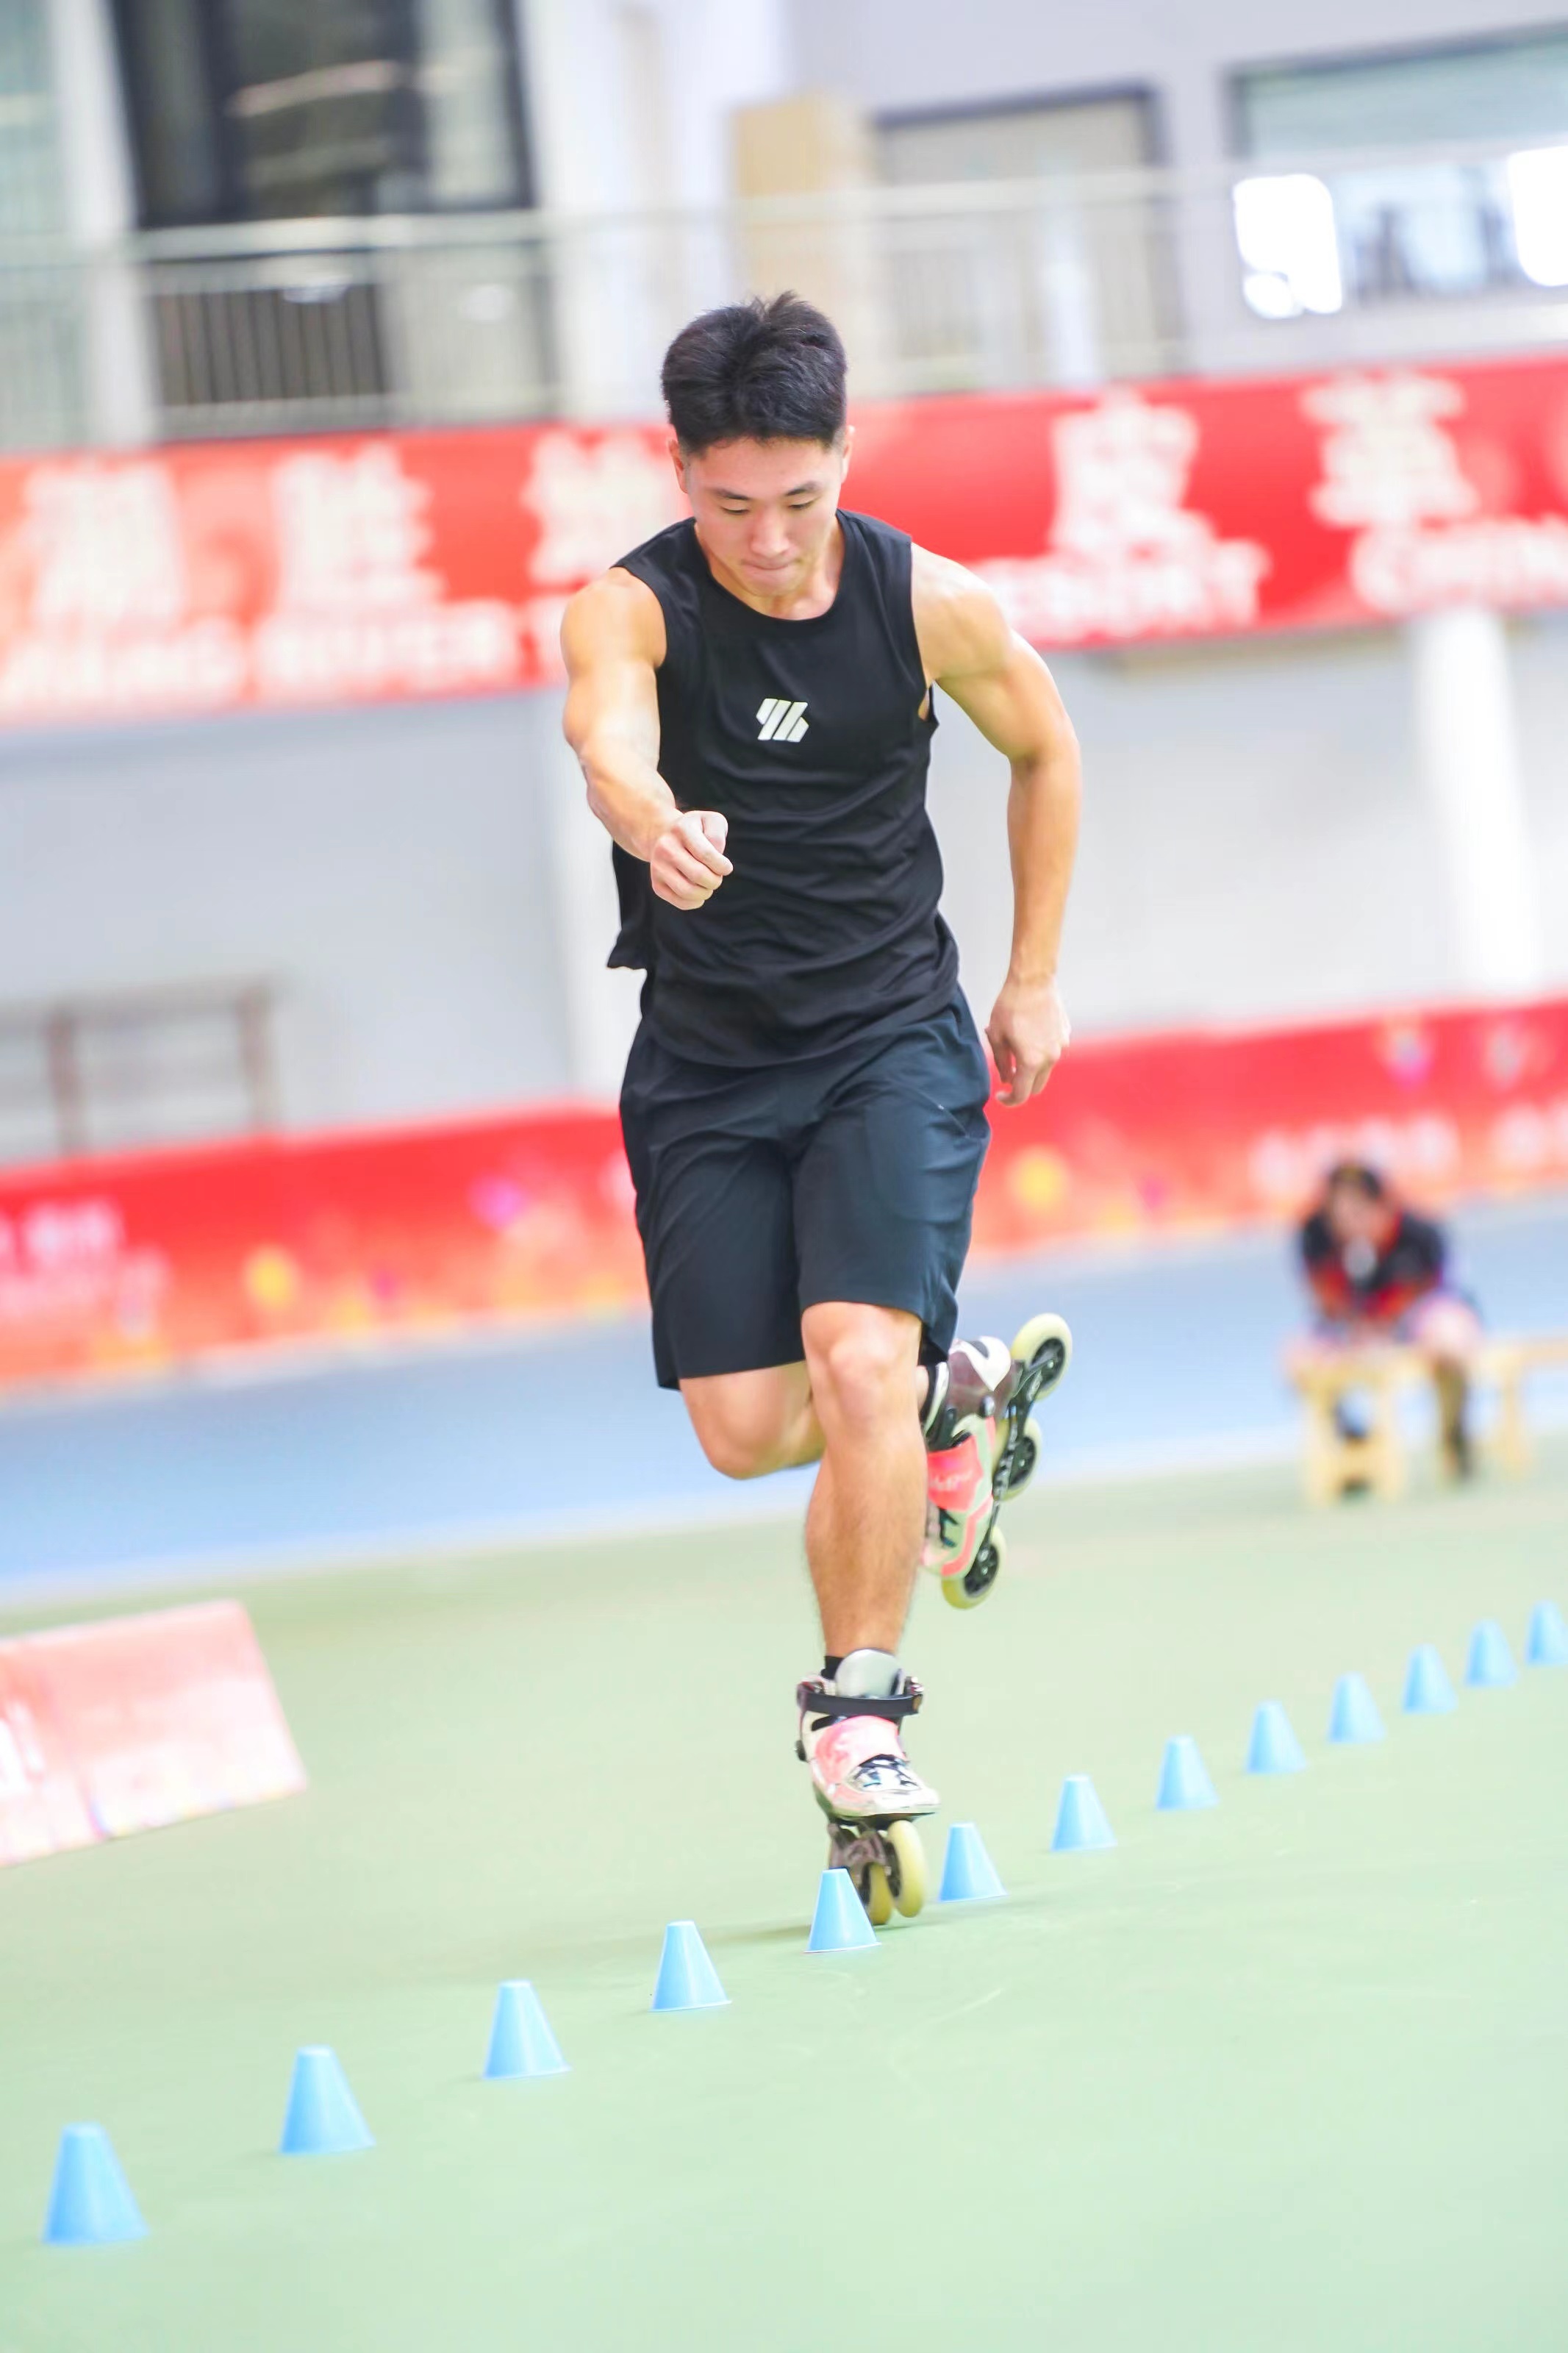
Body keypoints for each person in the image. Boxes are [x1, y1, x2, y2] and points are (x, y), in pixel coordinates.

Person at [561, 293, 1081, 1914]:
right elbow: (603, 736)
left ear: (845, 457)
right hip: (707, 1063)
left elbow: (1046, 752)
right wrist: (647, 816)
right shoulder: (632, 611)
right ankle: (951, 1403)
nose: (771, 540)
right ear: (680, 472)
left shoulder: (927, 605)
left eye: (800, 498)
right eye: (731, 505)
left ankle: (858, 1713)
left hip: (885, 1038)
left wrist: (1032, 976)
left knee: (853, 1355)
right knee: (739, 1431)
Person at [1291, 1161, 1482, 1477]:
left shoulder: (1421, 1234)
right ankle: (1351, 1443)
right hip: (1354, 1330)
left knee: (1450, 1335)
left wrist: (1392, 1324)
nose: (1348, 1224)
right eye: (1338, 1216)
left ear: (1381, 1206)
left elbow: (1446, 1293)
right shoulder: (1316, 1237)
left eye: (1357, 1213)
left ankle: (1454, 1430)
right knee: (1297, 1358)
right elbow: (1324, 1303)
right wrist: (1354, 1327)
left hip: (1417, 1324)